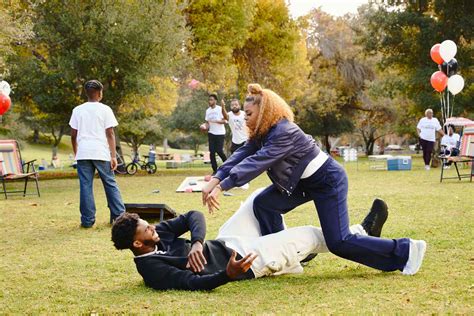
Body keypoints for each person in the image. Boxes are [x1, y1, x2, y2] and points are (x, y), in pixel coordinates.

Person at [203, 83, 427, 277]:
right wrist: (215, 179)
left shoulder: (283, 132)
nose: (244, 118)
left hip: (327, 181)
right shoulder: (263, 133)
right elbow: (241, 155)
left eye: (249, 113)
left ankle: (405, 251)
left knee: (338, 242)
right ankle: (286, 258)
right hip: (301, 183)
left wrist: (222, 187)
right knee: (264, 204)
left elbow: (256, 162)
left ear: (264, 112)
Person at [111, 188, 388, 291]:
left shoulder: (159, 235)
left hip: (225, 241)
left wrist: (196, 242)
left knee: (257, 200)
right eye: (147, 230)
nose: (154, 229)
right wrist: (227, 275)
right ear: (137, 244)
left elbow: (194, 215)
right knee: (310, 234)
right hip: (243, 261)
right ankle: (363, 234)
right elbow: (192, 283)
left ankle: (291, 248)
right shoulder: (153, 271)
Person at [69, 80, 125, 228]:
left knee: (85, 186)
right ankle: (119, 218)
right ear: (100, 93)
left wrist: (77, 152)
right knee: (110, 183)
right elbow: (110, 133)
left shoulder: (77, 110)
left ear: (86, 93)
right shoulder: (105, 109)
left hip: (83, 153)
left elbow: (73, 135)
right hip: (101, 152)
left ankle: (87, 221)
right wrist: (113, 156)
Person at [205, 93, 227, 174]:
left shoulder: (220, 109)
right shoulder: (207, 111)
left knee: (219, 151)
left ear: (215, 101)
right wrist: (204, 127)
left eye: (211, 100)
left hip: (220, 133)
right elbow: (207, 122)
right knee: (212, 152)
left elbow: (225, 121)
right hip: (211, 133)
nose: (209, 101)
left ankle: (227, 165)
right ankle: (215, 170)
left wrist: (217, 121)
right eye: (209, 100)